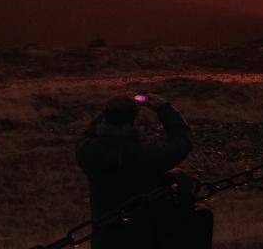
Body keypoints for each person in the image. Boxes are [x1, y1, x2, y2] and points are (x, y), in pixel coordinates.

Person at [76, 93, 213, 249]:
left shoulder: (88, 151)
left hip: (105, 236)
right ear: (134, 118)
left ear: (107, 117)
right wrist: (165, 109)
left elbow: (87, 133)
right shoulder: (149, 153)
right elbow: (183, 140)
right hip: (143, 235)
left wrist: (113, 109)